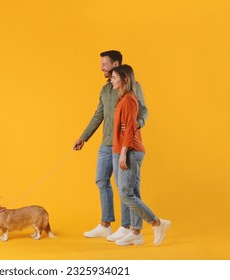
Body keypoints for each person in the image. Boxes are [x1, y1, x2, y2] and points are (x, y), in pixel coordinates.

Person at [73, 50, 148, 241]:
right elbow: (98, 114)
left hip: (123, 145)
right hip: (106, 144)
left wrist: (136, 124)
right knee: (101, 180)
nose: (101, 68)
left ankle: (125, 226)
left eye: (104, 64)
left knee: (122, 185)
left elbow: (143, 111)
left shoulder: (132, 87)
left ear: (115, 65)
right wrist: (83, 137)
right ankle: (106, 224)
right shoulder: (105, 90)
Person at [110, 64, 171, 246]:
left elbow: (129, 129)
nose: (111, 80)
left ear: (125, 80)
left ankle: (157, 223)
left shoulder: (129, 99)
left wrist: (123, 153)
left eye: (114, 77)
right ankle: (136, 232)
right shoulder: (123, 99)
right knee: (132, 192)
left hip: (130, 151)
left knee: (126, 193)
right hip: (128, 150)